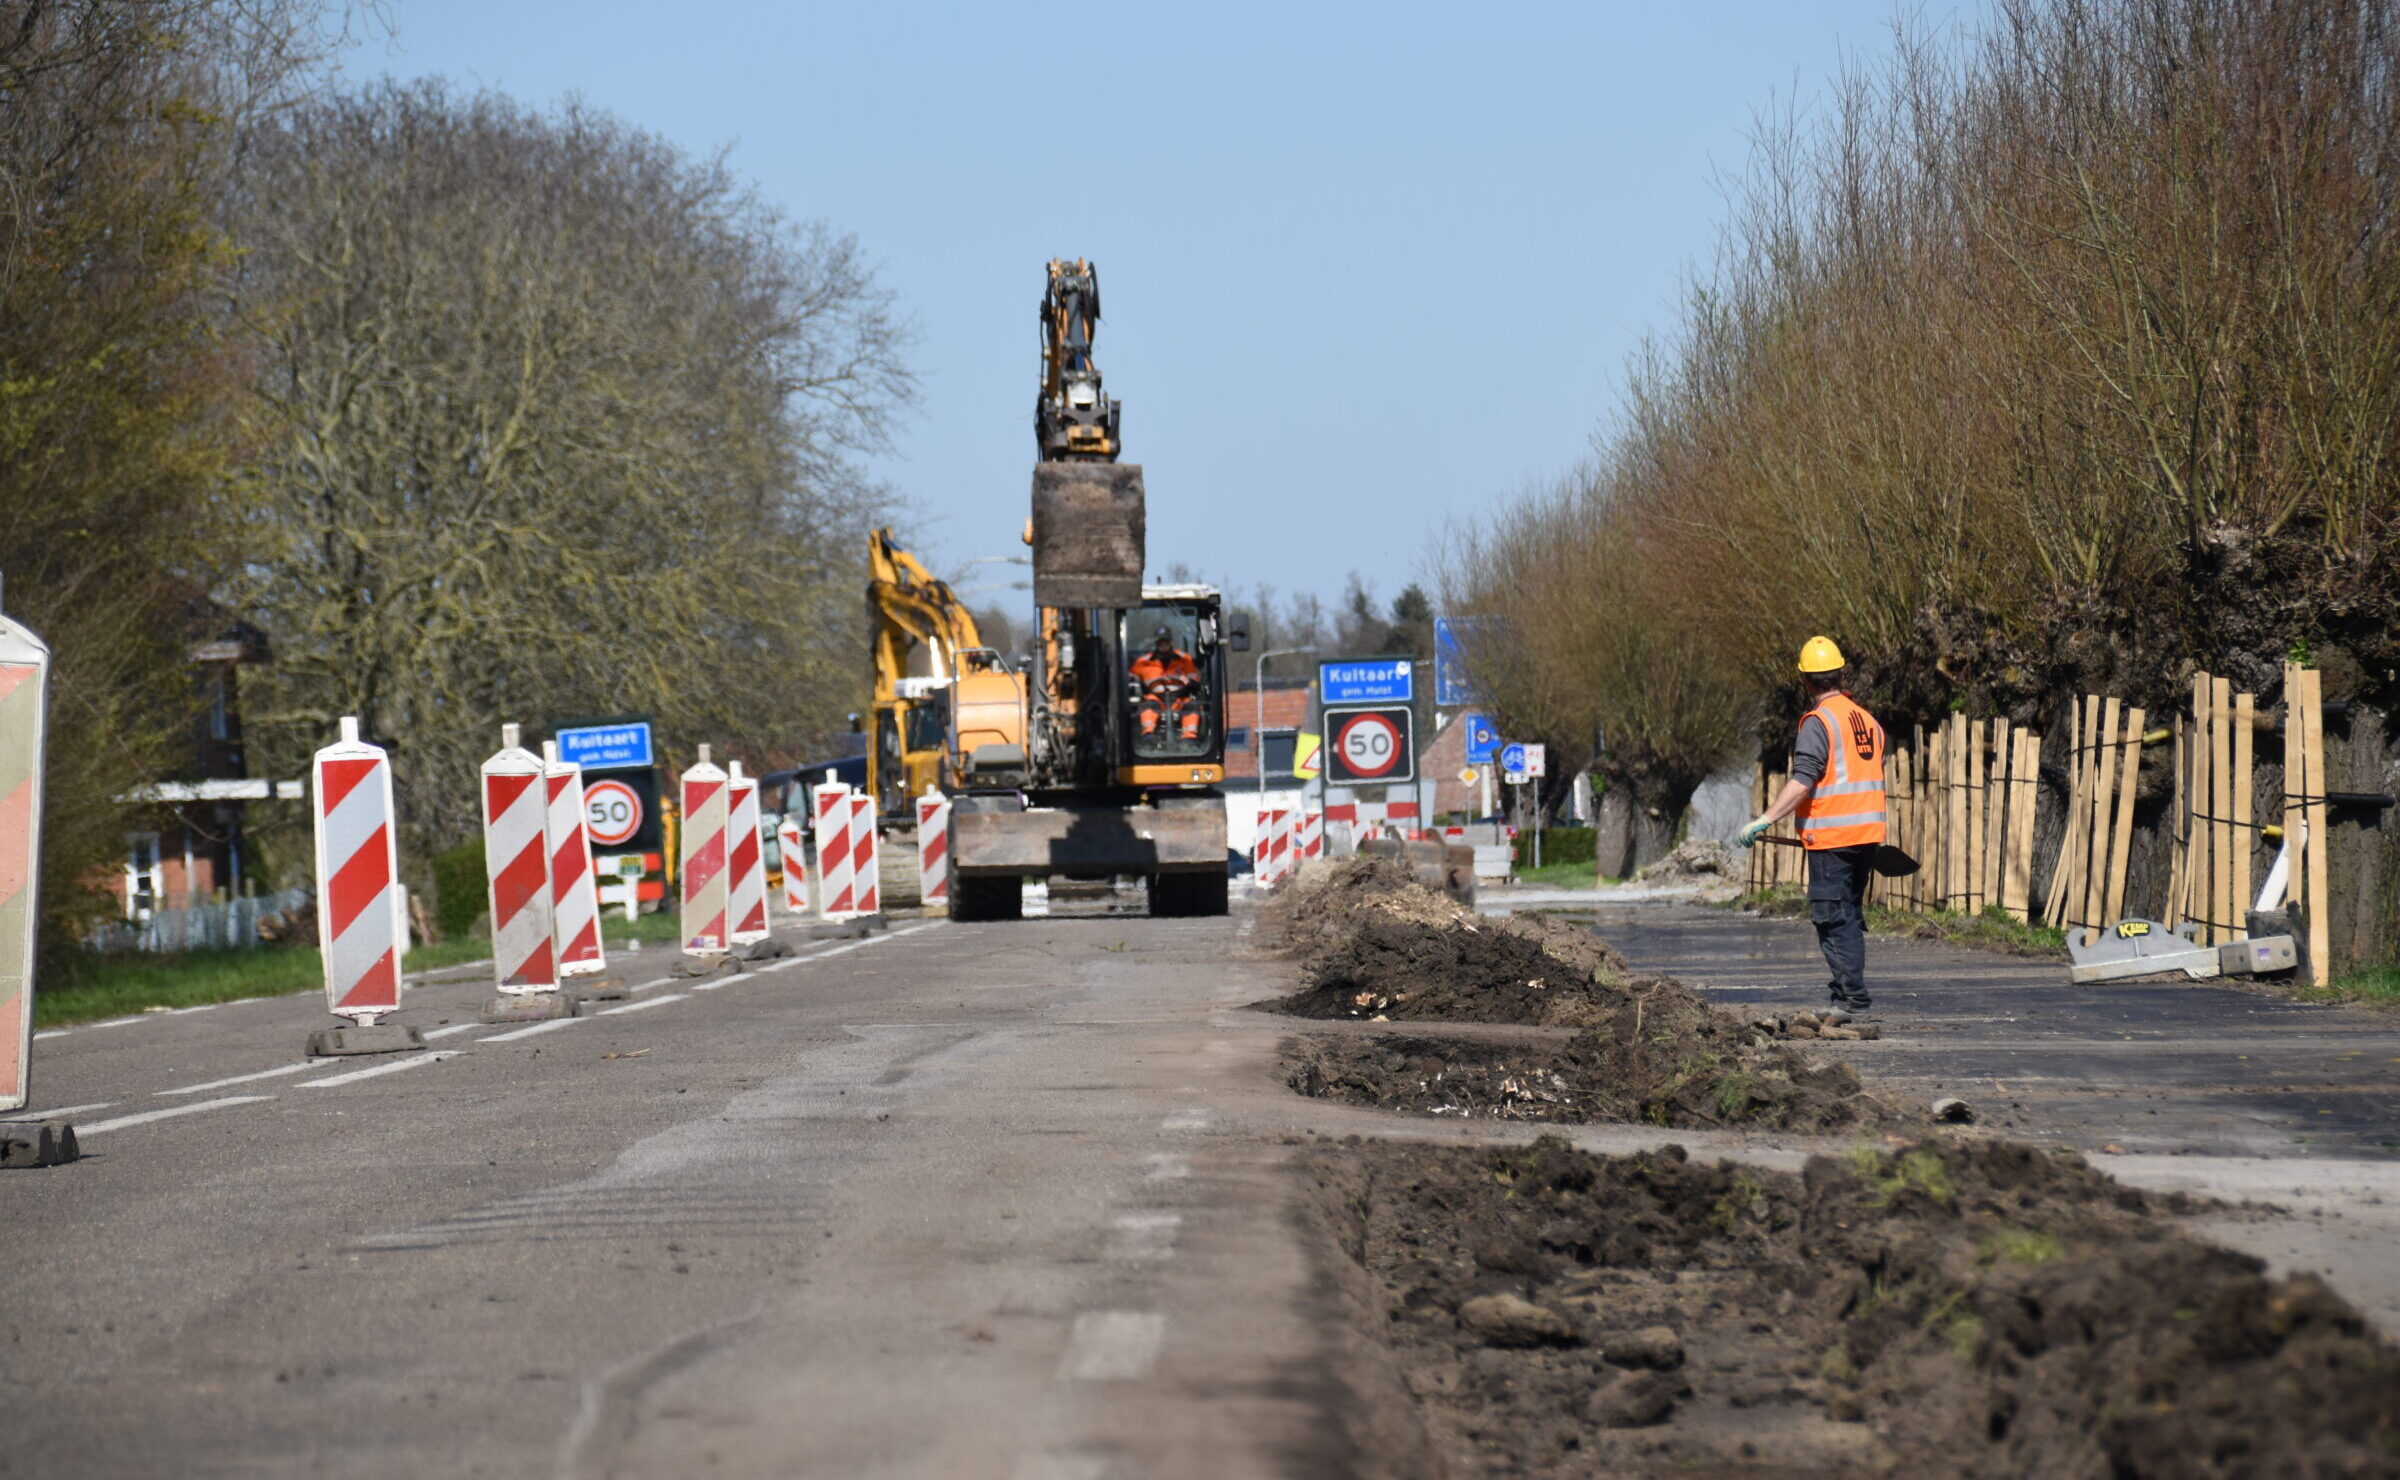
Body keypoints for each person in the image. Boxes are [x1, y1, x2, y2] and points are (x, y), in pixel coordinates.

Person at [1738, 636, 1887, 1014]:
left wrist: (1766, 819)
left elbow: (1804, 778)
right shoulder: (1867, 720)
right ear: (1840, 674)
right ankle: (1845, 996)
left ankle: (1852, 1000)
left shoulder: (1818, 722)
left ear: (1805, 681)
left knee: (1832, 918)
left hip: (1834, 837)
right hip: (1867, 835)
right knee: (1848, 916)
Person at [1130, 626, 1202, 741]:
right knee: (1147, 704)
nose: (1163, 644)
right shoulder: (1144, 662)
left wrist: (1189, 682)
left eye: (1166, 641)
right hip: (1156, 698)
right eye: (1160, 642)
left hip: (1179, 699)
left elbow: (1195, 680)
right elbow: (1129, 677)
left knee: (1192, 705)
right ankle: (1148, 736)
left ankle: (1189, 739)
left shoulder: (1185, 660)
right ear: (1156, 643)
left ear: (1170, 641)